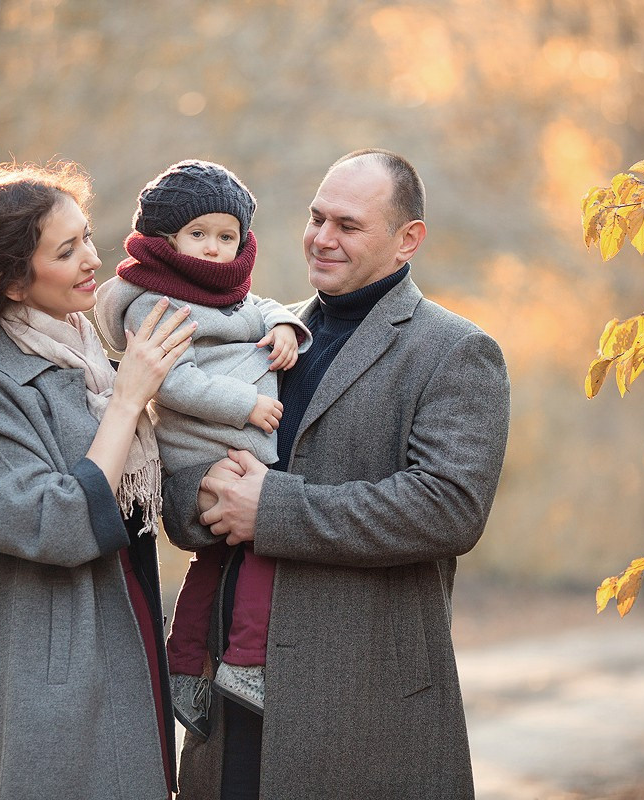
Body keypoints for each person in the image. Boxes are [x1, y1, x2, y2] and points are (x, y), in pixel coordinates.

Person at [161, 149, 511, 799]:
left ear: (408, 239)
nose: (322, 238)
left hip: (364, 703)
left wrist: (271, 510)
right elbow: (185, 460)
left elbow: (450, 507)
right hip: (228, 689)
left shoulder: (456, 350)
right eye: (317, 217)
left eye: (348, 225)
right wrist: (201, 492)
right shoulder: (261, 331)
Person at [0, 161, 197, 800]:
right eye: (66, 251)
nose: (93, 260)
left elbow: (146, 500)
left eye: (87, 238)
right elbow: (56, 524)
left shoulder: (92, 364)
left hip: (127, 646)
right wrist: (128, 401)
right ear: (14, 281)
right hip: (44, 690)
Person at [93, 160, 311, 737]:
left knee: (213, 563)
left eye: (226, 236)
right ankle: (246, 662)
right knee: (265, 545)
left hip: (233, 443)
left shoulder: (224, 293)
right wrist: (247, 405)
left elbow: (260, 306)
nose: (214, 249)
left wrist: (285, 327)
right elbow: (173, 381)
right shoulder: (156, 302)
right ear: (167, 239)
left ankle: (185, 664)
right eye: (198, 234)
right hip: (206, 445)